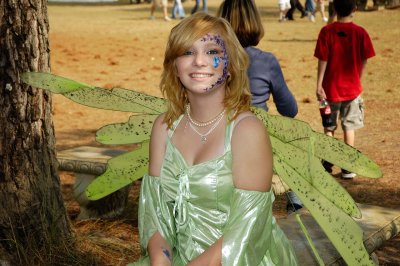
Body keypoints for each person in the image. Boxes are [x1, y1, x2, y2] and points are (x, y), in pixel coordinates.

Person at [130, 13, 298, 265]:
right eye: (187, 52)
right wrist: (160, 260)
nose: (199, 61)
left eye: (211, 51)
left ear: (229, 66)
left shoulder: (246, 131)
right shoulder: (164, 128)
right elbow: (155, 214)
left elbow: (247, 229)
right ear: (174, 66)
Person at [217, 0, 302, 213]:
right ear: (255, 22)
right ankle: (295, 204)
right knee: (294, 143)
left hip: (216, 141)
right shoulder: (266, 61)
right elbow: (289, 110)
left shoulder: (209, 60)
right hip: (255, 142)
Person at [314, 0, 375, 179]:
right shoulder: (360, 32)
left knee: (329, 127)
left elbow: (322, 60)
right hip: (352, 90)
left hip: (330, 90)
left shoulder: (326, 31)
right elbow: (364, 59)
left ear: (333, 8)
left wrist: (319, 85)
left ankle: (327, 164)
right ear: (355, 9)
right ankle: (348, 166)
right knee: (349, 126)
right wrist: (358, 78)